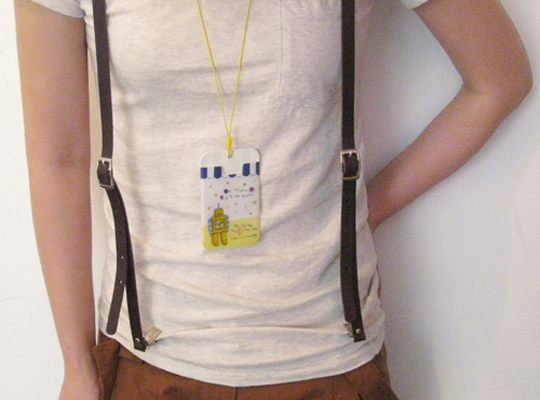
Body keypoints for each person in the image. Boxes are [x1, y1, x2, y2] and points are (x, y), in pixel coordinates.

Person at [14, 0, 531, 399]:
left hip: (328, 361)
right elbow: (57, 157)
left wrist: (365, 209)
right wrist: (77, 366)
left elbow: (498, 81)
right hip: (148, 362)